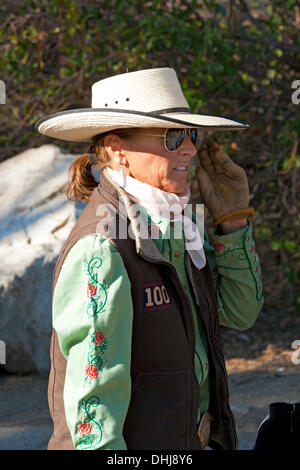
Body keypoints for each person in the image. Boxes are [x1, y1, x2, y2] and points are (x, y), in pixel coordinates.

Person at [35, 67, 264, 450]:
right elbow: (94, 411)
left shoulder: (179, 223)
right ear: (117, 150)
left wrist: (233, 221)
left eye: (191, 134)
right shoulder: (103, 248)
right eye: (172, 136)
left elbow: (240, 312)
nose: (189, 149)